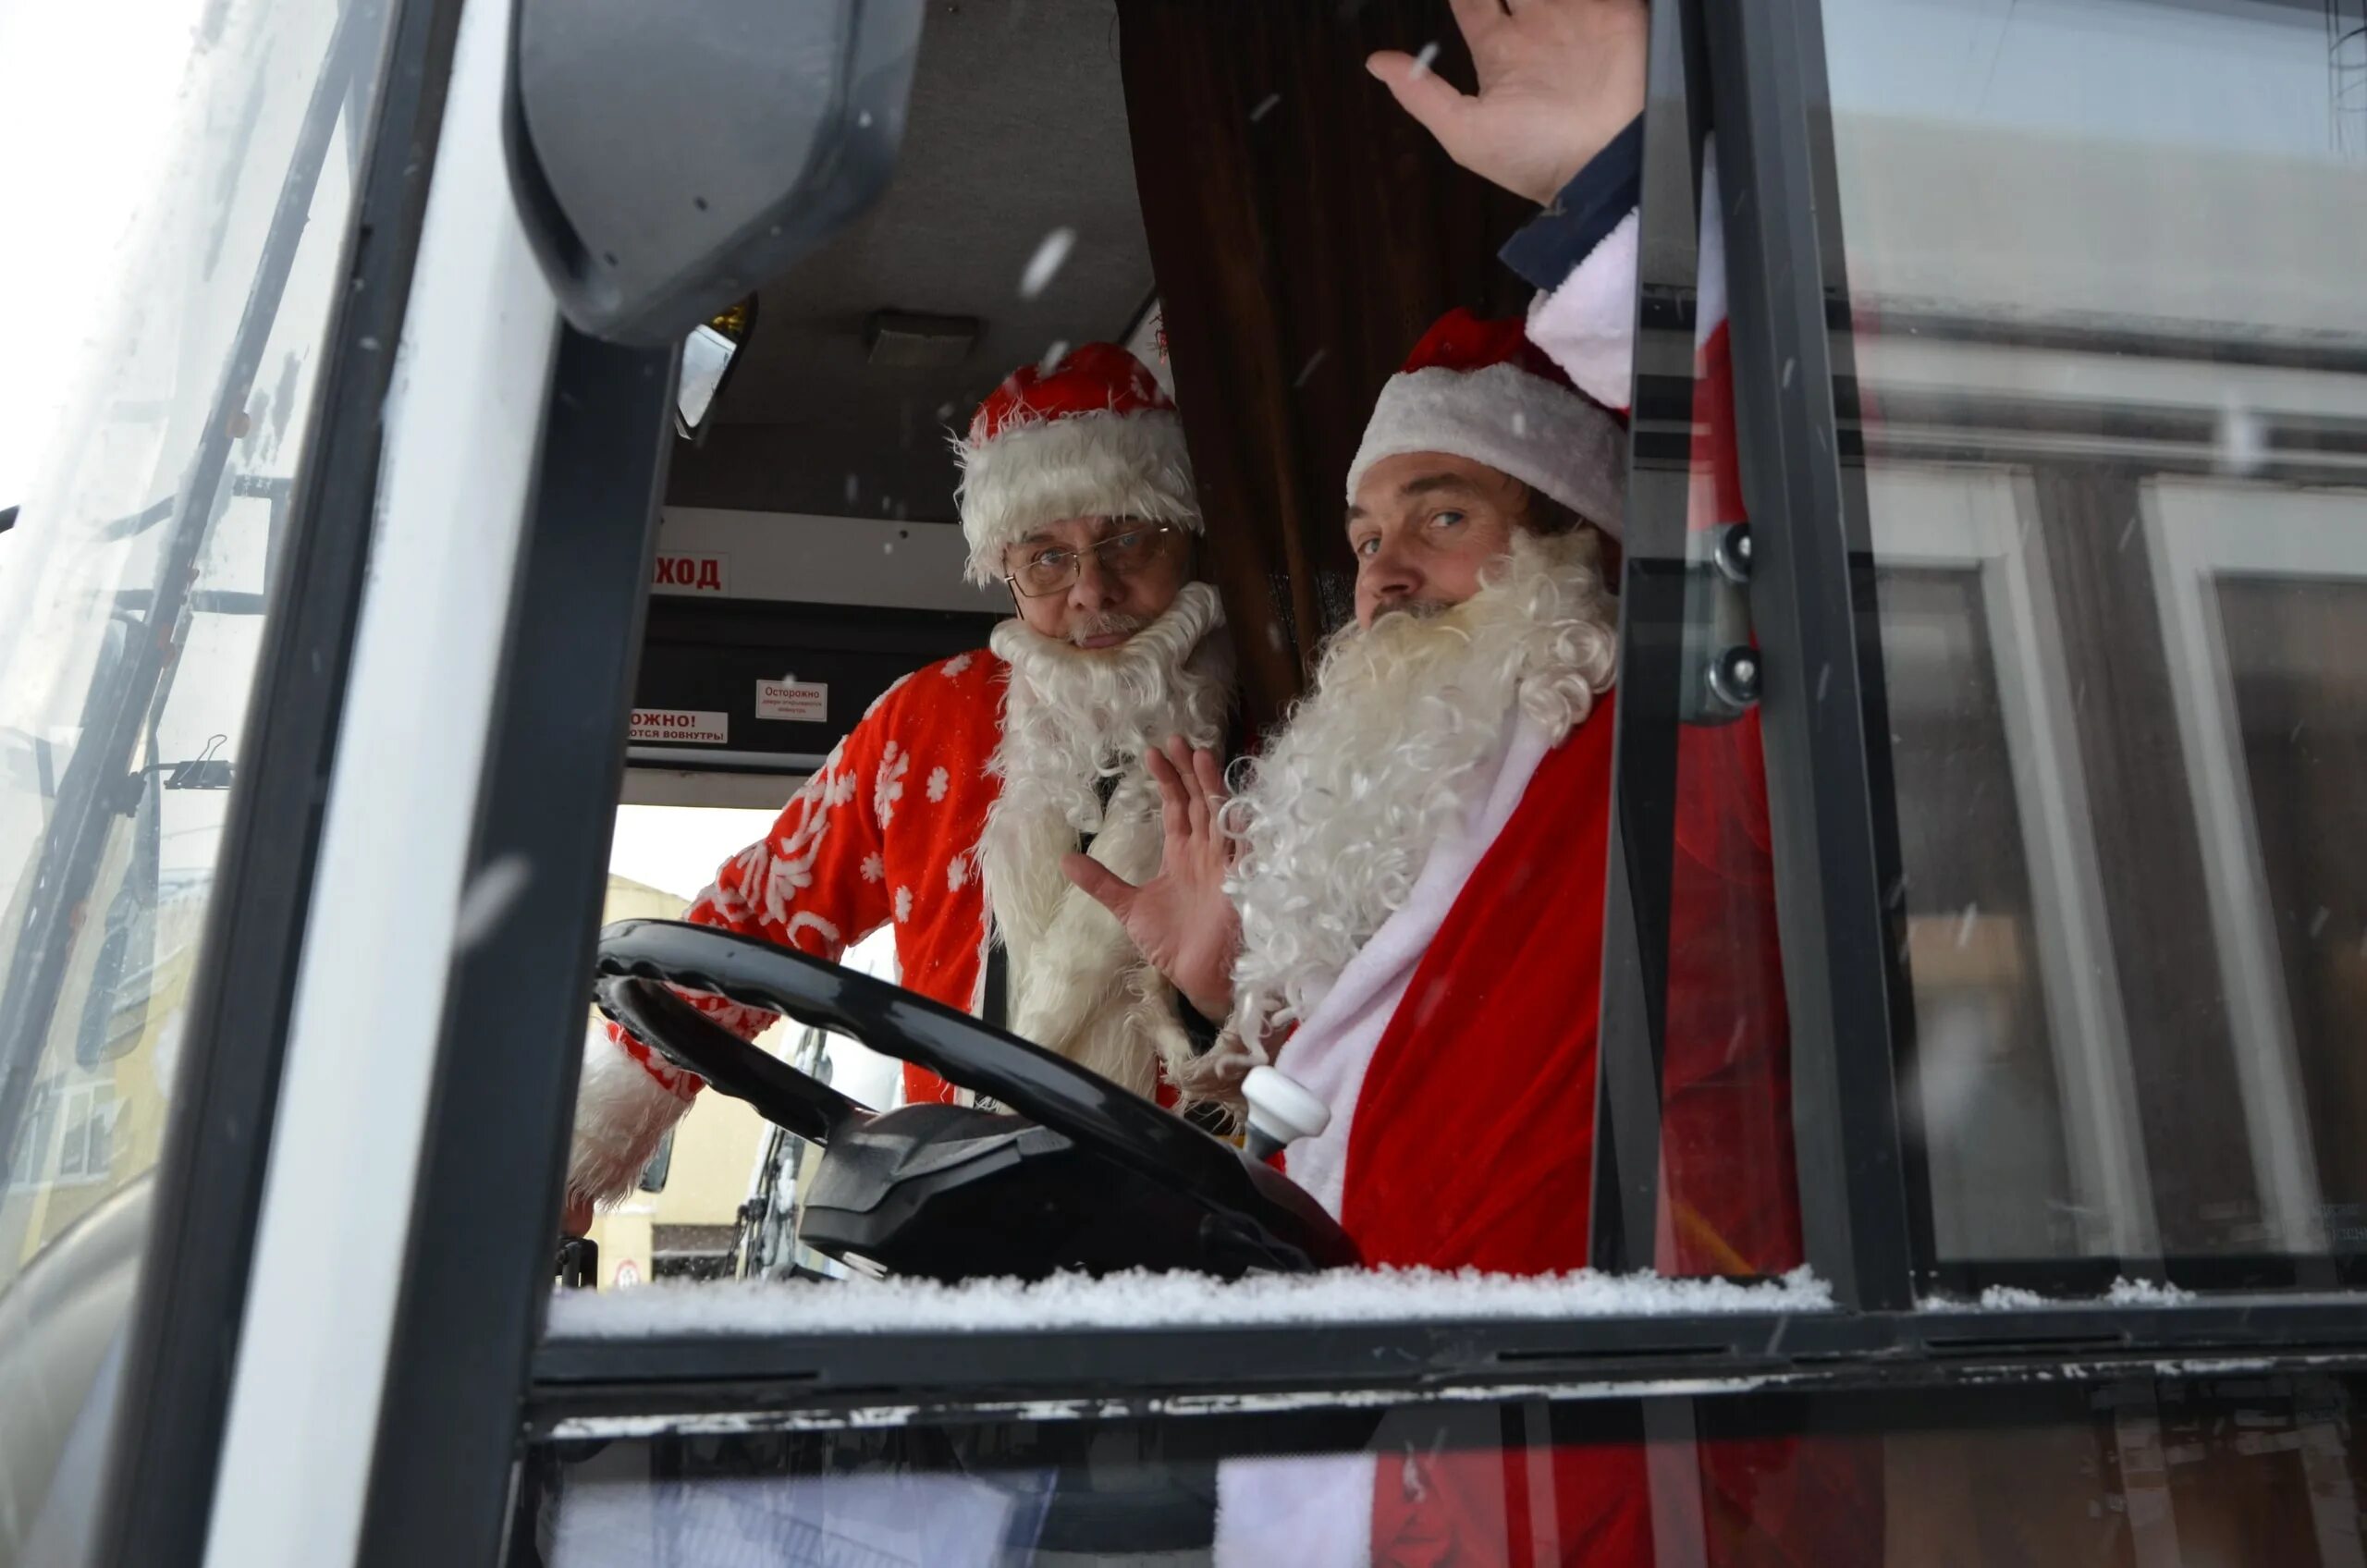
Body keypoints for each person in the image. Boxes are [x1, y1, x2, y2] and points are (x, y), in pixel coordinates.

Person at [1071, 1, 1876, 1560]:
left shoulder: (1671, 758)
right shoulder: (1429, 800)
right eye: (1368, 538)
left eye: (1440, 517)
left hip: (1596, 1498)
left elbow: (1785, 481)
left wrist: (1625, 197)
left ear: (1579, 550)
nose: (1379, 576)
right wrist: (1228, 987)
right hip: (1387, 1476)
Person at [565, 342, 1235, 1227]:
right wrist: (584, 1159)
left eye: (1128, 539)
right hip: (954, 1232)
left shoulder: (1279, 723)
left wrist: (1216, 1009)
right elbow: (761, 914)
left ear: (1186, 530)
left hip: (1211, 1248)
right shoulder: (926, 724)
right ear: (1008, 571)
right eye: (1046, 558)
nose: (1091, 591)